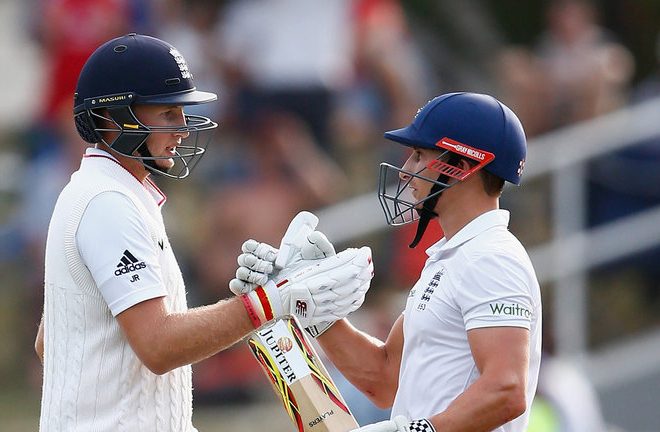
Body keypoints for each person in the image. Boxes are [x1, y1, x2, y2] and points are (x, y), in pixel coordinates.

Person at [33, 33, 374, 432]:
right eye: (166, 113)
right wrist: (270, 302)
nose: (182, 128)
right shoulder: (109, 203)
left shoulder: (107, 192)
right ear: (112, 117)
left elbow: (50, 340)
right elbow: (158, 346)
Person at [234, 92, 542, 431]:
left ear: (461, 167)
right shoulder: (453, 256)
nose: (406, 171)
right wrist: (309, 304)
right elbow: (383, 379)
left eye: (419, 155)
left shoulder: (491, 258)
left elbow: (507, 389)